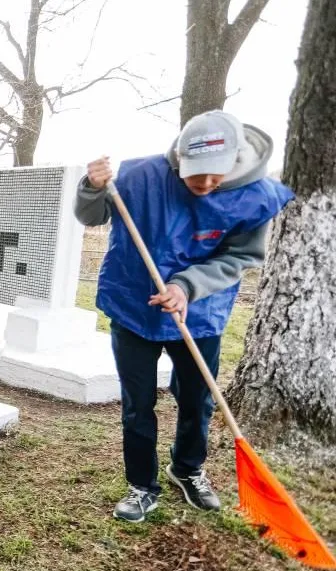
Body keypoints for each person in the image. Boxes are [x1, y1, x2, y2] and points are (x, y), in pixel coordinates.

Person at [74, 110, 293, 524]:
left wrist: (186, 286)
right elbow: (91, 216)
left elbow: (241, 256)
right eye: (198, 174)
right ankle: (142, 486)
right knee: (138, 404)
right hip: (134, 303)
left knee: (197, 398)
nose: (207, 185)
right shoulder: (140, 177)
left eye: (218, 175)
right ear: (178, 159)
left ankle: (187, 469)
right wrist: (92, 187)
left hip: (201, 311)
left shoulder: (254, 195)